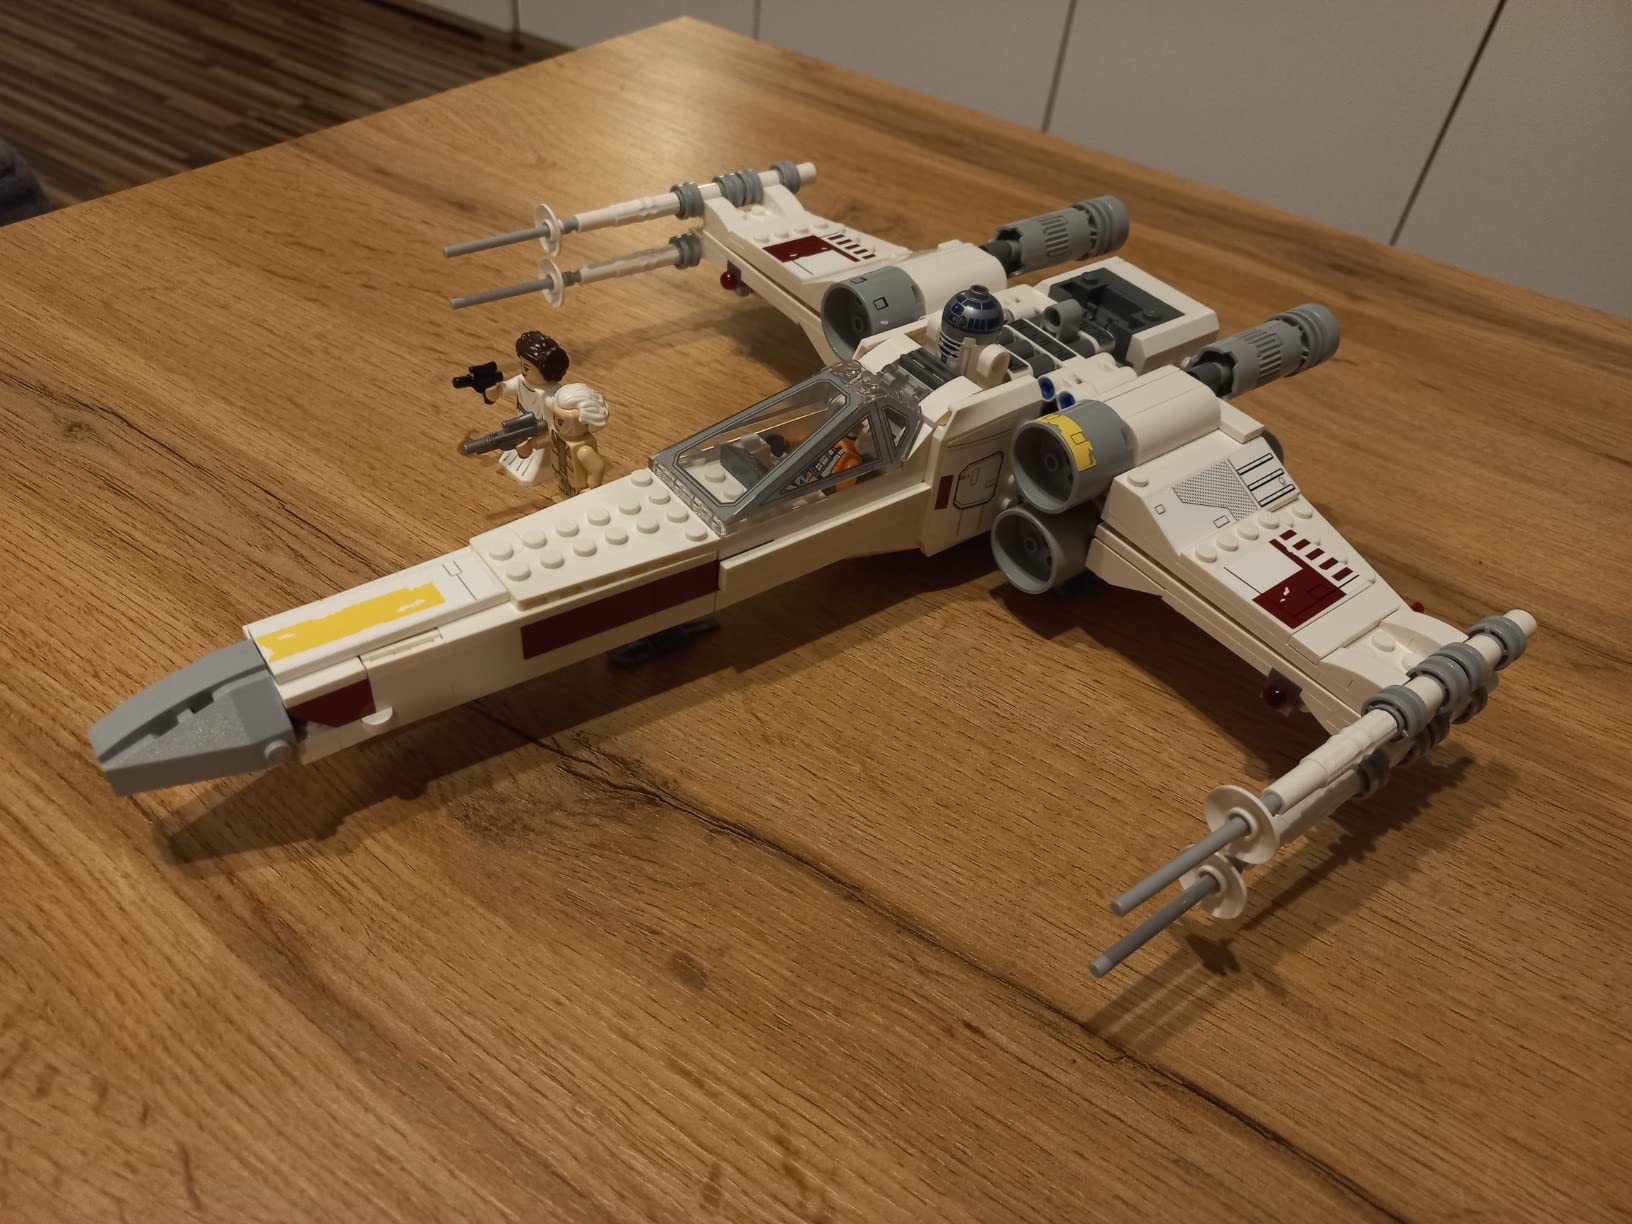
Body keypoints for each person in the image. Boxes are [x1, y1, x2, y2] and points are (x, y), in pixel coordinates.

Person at [480, 331, 611, 494]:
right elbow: (503, 389)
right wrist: (494, 391)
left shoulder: (551, 397)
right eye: (522, 365)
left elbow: (558, 425)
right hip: (526, 431)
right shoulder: (522, 381)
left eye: (527, 367)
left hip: (544, 441)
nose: (523, 370)